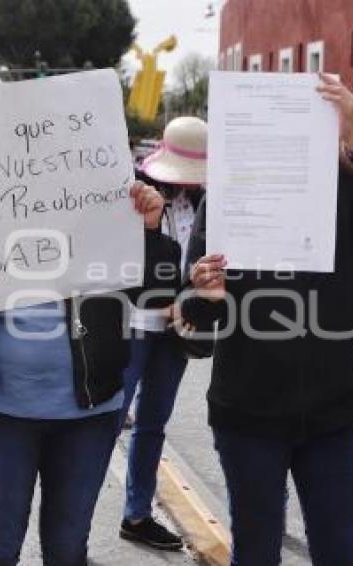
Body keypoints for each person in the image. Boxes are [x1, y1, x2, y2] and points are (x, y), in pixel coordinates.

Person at [181, 74, 353, 565]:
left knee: (340, 551)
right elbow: (196, 325)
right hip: (247, 411)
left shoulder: (343, 190)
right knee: (257, 552)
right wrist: (209, 296)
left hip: (332, 411)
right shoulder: (223, 202)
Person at [0, 182, 179, 565]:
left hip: (88, 415)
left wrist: (150, 232)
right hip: (0, 413)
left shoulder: (105, 207)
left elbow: (156, 293)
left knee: (67, 547)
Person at [118, 116, 206, 551]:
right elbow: (127, 270)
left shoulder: (205, 204)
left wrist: (189, 305)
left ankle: (136, 513)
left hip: (176, 333)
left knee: (153, 423)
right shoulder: (133, 196)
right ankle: (70, 523)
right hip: (130, 324)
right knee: (108, 422)